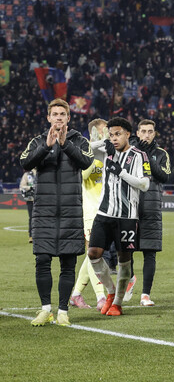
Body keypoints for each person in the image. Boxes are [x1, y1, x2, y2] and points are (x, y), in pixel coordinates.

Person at [20, 99, 94, 326]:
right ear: (49, 117)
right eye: (55, 114)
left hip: (71, 211)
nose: (59, 117)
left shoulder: (79, 140)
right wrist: (47, 146)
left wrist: (65, 144)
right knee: (42, 260)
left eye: (63, 114)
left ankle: (63, 311)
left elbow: (86, 162)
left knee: (68, 263)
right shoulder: (38, 141)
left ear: (68, 118)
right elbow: (25, 163)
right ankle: (45, 310)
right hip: (44, 212)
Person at [86, 117, 151, 317]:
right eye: (111, 135)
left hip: (127, 216)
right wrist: (102, 142)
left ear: (128, 134)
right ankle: (111, 291)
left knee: (124, 259)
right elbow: (84, 150)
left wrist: (121, 172)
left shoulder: (139, 156)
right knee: (93, 253)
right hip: (104, 213)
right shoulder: (106, 152)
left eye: (118, 134)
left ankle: (118, 303)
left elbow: (145, 184)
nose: (114, 138)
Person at [69, 118, 108, 310]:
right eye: (104, 131)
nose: (107, 134)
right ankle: (101, 297)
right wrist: (93, 156)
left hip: (107, 211)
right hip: (91, 211)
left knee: (92, 255)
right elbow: (82, 176)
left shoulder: (108, 153)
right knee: (95, 253)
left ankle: (76, 294)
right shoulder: (85, 151)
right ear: (94, 132)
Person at [132, 119, 172, 306]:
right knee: (126, 250)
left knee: (150, 252)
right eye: (143, 131)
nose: (146, 135)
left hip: (151, 207)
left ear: (154, 134)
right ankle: (129, 280)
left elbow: (164, 176)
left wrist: (148, 155)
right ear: (137, 133)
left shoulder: (161, 153)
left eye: (150, 132)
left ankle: (145, 295)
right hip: (130, 206)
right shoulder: (129, 151)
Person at [20, 169, 36, 243]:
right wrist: (30, 188)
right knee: (32, 218)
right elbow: (22, 186)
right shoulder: (27, 174)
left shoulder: (43, 172)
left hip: (42, 199)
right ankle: (31, 236)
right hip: (31, 199)